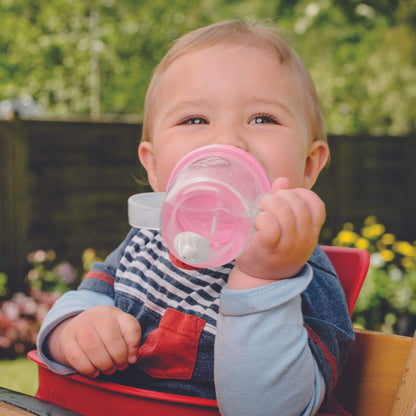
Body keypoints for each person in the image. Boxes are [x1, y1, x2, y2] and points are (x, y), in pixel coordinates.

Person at [37, 19, 354, 416]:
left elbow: (269, 409)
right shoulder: (146, 241)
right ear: (154, 169)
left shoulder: (301, 275)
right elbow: (83, 300)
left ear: (309, 166)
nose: (226, 141)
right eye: (195, 120)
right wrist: (75, 329)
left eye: (262, 119)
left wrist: (262, 280)